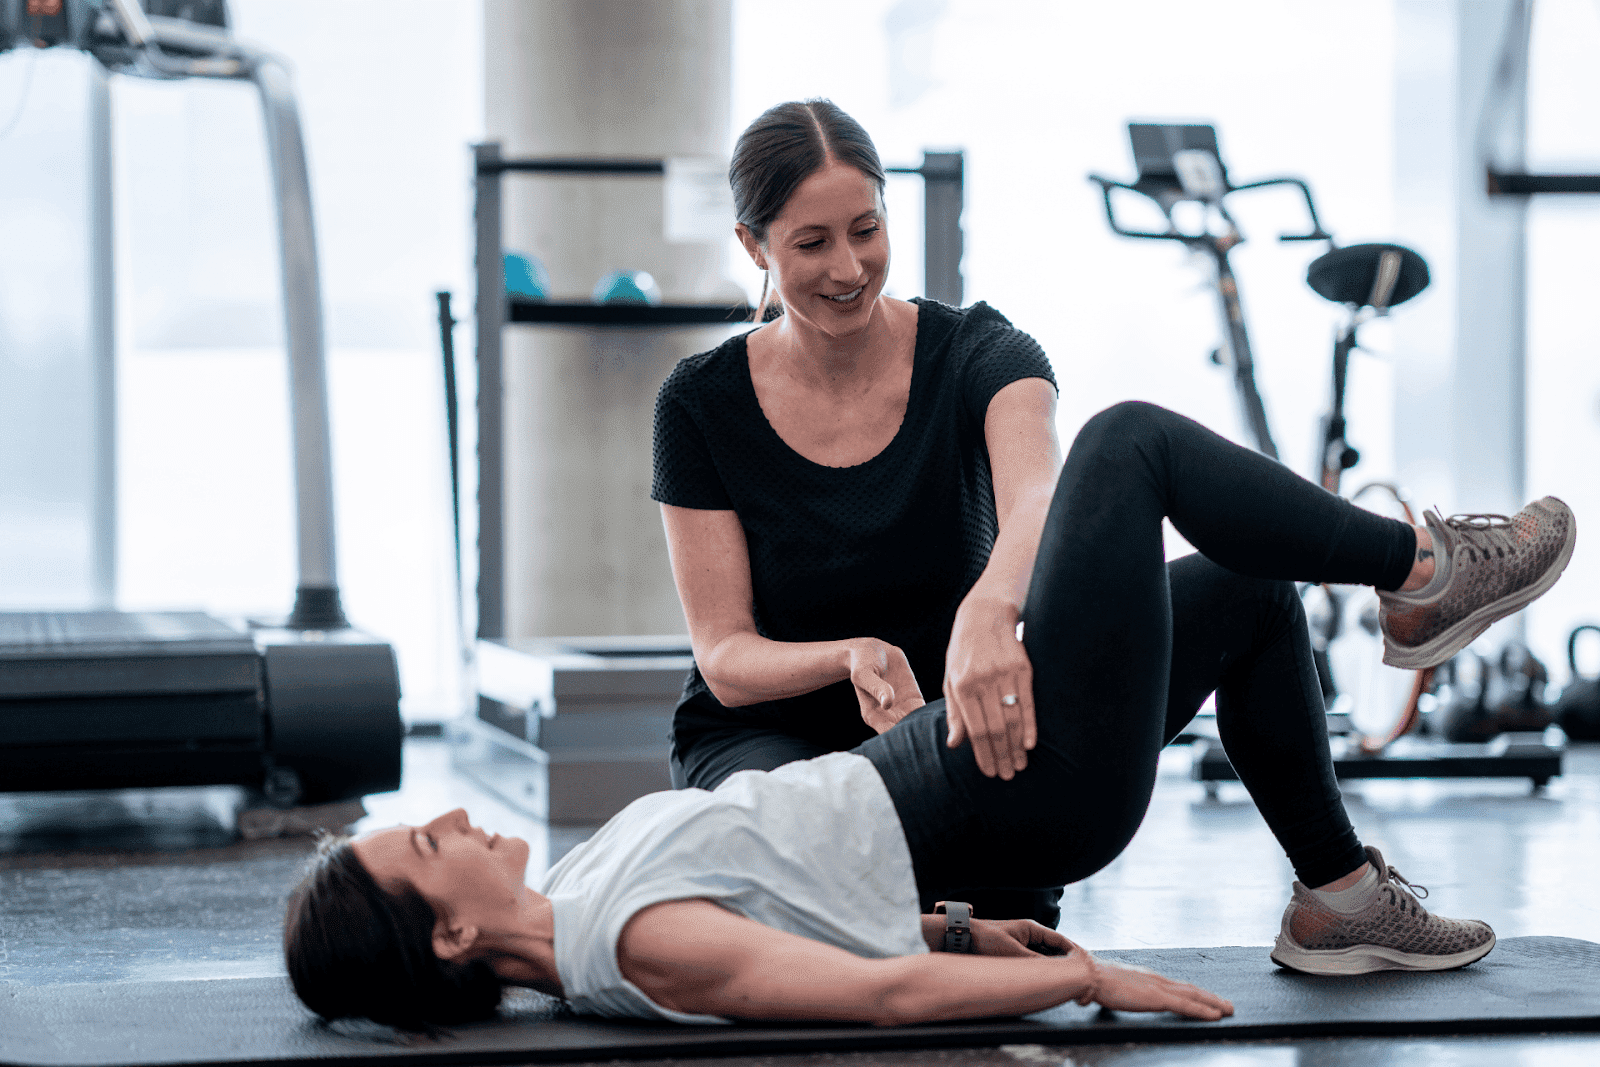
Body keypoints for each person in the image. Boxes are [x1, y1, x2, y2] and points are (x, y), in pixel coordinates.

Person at [283, 397, 1577, 1032]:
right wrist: (1079, 974)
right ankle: (1423, 573)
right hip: (1013, 782)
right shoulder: (630, 945)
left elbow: (789, 890)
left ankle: (1337, 897)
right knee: (1127, 446)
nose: (448, 811)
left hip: (954, 781)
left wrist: (962, 922)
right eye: (424, 842)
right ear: (450, 926)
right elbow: (869, 995)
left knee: (1243, 591)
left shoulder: (581, 895)